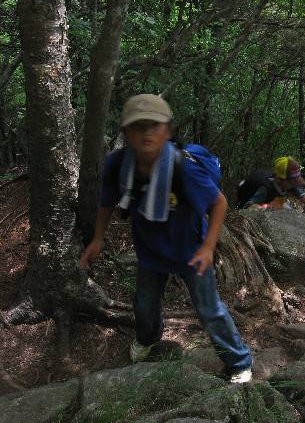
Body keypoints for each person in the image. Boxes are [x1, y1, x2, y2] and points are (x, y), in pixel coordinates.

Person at [79, 94, 252, 383]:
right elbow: (107, 203)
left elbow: (219, 203)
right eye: (138, 126)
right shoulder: (119, 165)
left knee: (209, 310)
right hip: (150, 251)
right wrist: (98, 238)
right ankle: (148, 340)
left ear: (168, 131)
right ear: (126, 133)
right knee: (145, 306)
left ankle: (239, 362)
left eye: (154, 125)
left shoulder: (184, 168)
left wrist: (208, 248)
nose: (146, 132)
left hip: (191, 251)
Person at [236, 156, 305, 211]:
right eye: (292, 182)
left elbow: (302, 196)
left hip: (269, 201)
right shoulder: (265, 188)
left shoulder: (289, 183)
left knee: (285, 208)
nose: (295, 184)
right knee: (280, 207)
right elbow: (249, 206)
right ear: (280, 179)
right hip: (248, 202)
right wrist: (267, 207)